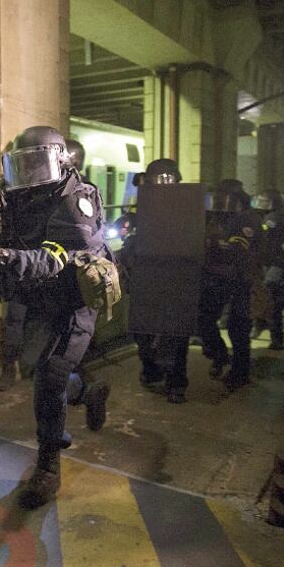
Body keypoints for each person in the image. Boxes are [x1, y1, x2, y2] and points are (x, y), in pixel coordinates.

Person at [0, 125, 112, 510]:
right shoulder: (21, 194)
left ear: (60, 161)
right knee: (39, 370)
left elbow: (55, 259)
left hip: (72, 301)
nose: (27, 176)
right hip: (38, 299)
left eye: (36, 164)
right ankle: (89, 392)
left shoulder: (75, 201)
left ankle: (49, 464)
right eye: (20, 166)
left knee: (48, 381)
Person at [117, 158, 191, 403]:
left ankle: (176, 384)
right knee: (143, 334)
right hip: (145, 282)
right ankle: (151, 371)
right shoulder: (141, 213)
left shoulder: (185, 213)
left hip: (175, 282)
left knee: (175, 337)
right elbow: (129, 240)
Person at [198, 178, 262, 391]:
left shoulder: (246, 219)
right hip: (217, 277)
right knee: (204, 319)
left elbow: (239, 251)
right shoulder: (220, 217)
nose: (216, 199)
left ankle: (240, 372)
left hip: (240, 280)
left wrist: (218, 243)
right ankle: (220, 354)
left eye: (221, 195)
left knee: (238, 328)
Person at [251, 189, 284, 350]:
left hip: (276, 264)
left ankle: (274, 337)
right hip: (278, 264)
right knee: (269, 299)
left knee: (270, 299)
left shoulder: (272, 219)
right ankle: (266, 330)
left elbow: (262, 233)